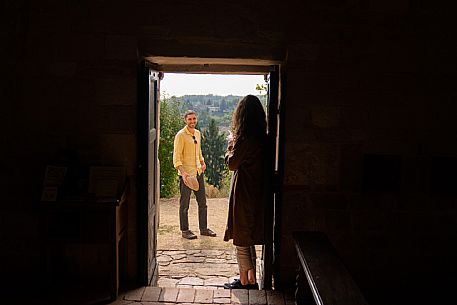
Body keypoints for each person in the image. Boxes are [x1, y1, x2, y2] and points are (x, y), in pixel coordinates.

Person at [223, 95, 268, 289]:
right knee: (248, 237)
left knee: (241, 238)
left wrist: (230, 146)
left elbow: (232, 164)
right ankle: (251, 279)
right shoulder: (263, 138)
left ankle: (244, 281)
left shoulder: (245, 140)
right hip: (258, 192)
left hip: (244, 194)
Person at [173, 110, 217, 240]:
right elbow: (177, 156)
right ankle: (185, 230)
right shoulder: (180, 135)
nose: (192, 121)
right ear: (185, 120)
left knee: (203, 203)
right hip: (187, 176)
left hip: (198, 173)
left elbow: (199, 152)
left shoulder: (197, 133)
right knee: (184, 204)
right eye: (189, 119)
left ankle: (203, 229)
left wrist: (202, 163)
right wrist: (183, 173)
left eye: (194, 119)